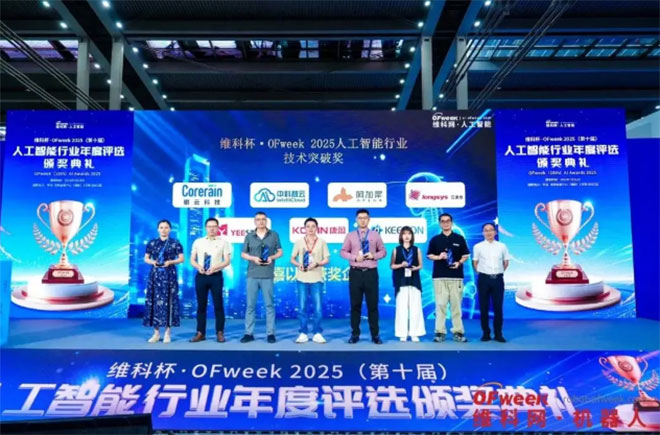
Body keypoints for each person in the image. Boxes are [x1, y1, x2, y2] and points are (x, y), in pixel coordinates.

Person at [340, 209, 387, 344]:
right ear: (356, 220)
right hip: (355, 273)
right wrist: (355, 257)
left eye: (365, 218)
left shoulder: (375, 235)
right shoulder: (350, 235)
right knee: (355, 305)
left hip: (371, 273)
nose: (362, 220)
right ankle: (355, 334)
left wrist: (374, 255)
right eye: (360, 218)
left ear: (369, 219)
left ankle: (375, 335)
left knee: (373, 305)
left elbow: (383, 251)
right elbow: (343, 252)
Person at [427, 213, 470, 343]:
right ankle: (440, 332)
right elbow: (429, 255)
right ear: (440, 223)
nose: (445, 223)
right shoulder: (435, 239)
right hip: (439, 277)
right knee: (440, 305)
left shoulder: (459, 238)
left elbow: (466, 255)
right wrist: (438, 257)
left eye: (448, 221)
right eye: (443, 221)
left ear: (451, 222)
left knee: (456, 306)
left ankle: (458, 332)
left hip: (456, 277)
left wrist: (459, 262)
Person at [240, 211, 283, 343]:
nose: (261, 221)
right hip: (252, 274)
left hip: (267, 274)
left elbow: (280, 252)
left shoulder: (274, 235)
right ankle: (248, 333)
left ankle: (270, 334)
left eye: (263, 219)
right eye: (258, 219)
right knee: (250, 306)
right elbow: (243, 254)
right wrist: (253, 258)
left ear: (266, 221)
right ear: (255, 221)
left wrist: (271, 257)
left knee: (269, 305)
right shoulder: (249, 236)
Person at [189, 217, 232, 343]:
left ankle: (220, 332)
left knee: (218, 305)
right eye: (209, 226)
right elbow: (192, 259)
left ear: (218, 228)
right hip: (201, 276)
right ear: (205, 228)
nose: (212, 229)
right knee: (201, 305)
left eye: (214, 226)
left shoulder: (224, 242)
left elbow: (227, 261)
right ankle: (200, 333)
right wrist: (198, 267)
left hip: (216, 276)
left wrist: (215, 268)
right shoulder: (198, 242)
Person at [143, 219, 184, 343]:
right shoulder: (152, 243)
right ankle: (156, 333)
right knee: (155, 302)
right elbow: (146, 258)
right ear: (158, 229)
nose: (164, 230)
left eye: (166, 227)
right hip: (155, 275)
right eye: (161, 227)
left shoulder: (175, 243)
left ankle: (167, 333)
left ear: (170, 229)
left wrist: (170, 262)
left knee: (169, 302)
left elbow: (181, 259)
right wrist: (152, 262)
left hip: (169, 275)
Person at [290, 217, 330, 344]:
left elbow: (326, 259)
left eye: (313, 226)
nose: (310, 229)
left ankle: (317, 333)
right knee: (302, 307)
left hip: (317, 279)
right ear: (304, 228)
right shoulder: (299, 242)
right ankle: (303, 333)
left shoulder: (322, 242)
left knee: (317, 308)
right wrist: (299, 265)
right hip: (302, 278)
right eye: (308, 226)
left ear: (317, 228)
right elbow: (292, 258)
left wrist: (317, 263)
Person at [472, 222, 511, 343]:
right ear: (483, 233)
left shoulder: (502, 246)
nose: (488, 232)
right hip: (483, 279)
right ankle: (486, 333)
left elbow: (506, 262)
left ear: (495, 232)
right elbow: (475, 262)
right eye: (486, 230)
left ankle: (498, 334)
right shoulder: (478, 247)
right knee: (484, 307)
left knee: (498, 307)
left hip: (498, 279)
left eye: (491, 230)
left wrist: (498, 272)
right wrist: (483, 273)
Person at [391, 226, 425, 342]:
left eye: (409, 234)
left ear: (412, 236)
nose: (406, 236)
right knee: (401, 309)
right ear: (401, 236)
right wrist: (401, 265)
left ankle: (415, 333)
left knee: (416, 308)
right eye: (404, 234)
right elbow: (392, 266)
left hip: (414, 281)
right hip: (401, 282)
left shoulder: (417, 249)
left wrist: (415, 268)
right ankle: (402, 333)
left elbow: (421, 265)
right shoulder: (396, 250)